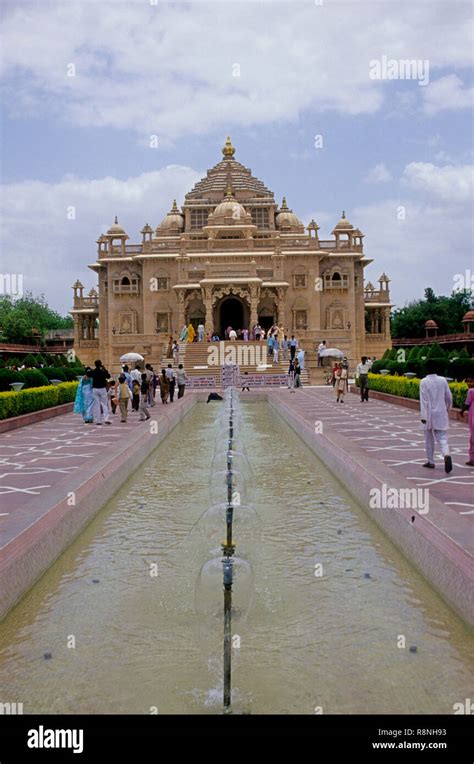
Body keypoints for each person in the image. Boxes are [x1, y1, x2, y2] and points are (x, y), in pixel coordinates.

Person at [420, 359, 453, 472]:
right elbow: (449, 397)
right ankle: (446, 454)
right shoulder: (443, 380)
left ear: (426, 369)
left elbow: (423, 401)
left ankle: (431, 461)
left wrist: (423, 416)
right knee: (442, 437)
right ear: (437, 369)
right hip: (441, 413)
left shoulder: (424, 381)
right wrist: (447, 408)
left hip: (428, 414)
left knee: (428, 439)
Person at [91, 360, 111, 425]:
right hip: (102, 388)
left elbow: (89, 374)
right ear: (101, 364)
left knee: (97, 405)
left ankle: (98, 421)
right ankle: (106, 419)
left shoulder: (93, 371)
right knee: (104, 404)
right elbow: (108, 376)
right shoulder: (102, 372)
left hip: (95, 389)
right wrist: (104, 368)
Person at [461, 378, 474, 467]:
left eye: (471, 381)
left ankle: (472, 459)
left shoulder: (471, 391)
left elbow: (467, 403)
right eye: (468, 381)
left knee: (473, 438)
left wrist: (461, 411)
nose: (469, 383)